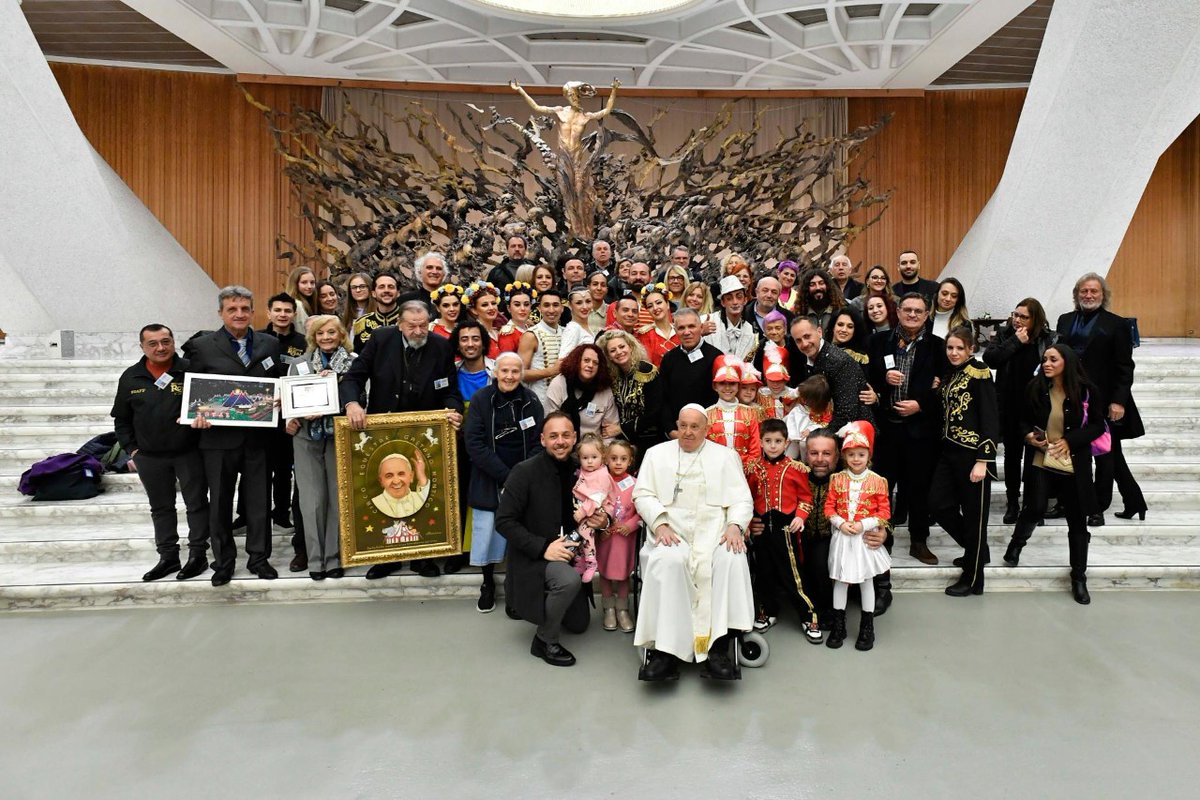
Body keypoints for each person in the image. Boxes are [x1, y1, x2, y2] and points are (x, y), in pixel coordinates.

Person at [340, 300, 464, 580]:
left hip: (424, 436)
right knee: (387, 492)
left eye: (423, 325)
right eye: (412, 326)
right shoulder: (381, 340)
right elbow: (353, 377)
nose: (419, 331)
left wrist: (454, 411)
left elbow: (450, 390)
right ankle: (386, 556)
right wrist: (351, 405)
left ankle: (423, 555)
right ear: (400, 325)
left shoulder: (441, 346)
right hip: (383, 433)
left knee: (421, 491)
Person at [633, 404, 756, 681]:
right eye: (683, 426)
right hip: (671, 531)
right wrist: (659, 522)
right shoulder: (656, 455)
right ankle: (666, 653)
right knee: (669, 561)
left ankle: (719, 648)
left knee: (730, 558)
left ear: (707, 429)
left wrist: (735, 525)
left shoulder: (725, 456)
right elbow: (642, 495)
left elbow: (741, 499)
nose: (687, 432)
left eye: (694, 427)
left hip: (715, 533)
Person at [183, 286, 284, 586]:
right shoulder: (202, 346)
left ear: (253, 312)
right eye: (232, 309)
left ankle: (258, 558)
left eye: (244, 309)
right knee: (221, 503)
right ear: (221, 313)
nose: (239, 314)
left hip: (259, 439)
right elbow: (194, 390)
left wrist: (281, 400)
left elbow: (278, 380)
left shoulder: (270, 343)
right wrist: (196, 415)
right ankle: (223, 562)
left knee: (259, 502)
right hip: (217, 441)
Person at [496, 413, 608, 667]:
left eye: (566, 435)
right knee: (567, 581)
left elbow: (597, 507)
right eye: (554, 436)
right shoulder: (524, 472)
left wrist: (605, 522)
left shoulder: (580, 471)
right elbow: (504, 521)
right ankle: (544, 640)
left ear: (575, 438)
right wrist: (543, 548)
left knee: (579, 625)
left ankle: (551, 601)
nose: (560, 441)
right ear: (543, 439)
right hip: (534, 557)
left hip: (570, 555)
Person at [1003, 344, 1106, 605]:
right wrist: (1028, 435)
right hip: (1041, 457)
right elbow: (1022, 420)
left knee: (1077, 519)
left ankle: (1079, 577)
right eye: (1045, 359)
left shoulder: (1087, 390)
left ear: (1066, 362)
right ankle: (1016, 544)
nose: (1046, 363)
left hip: (1074, 462)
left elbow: (1096, 425)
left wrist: (1071, 440)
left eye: (1053, 359)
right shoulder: (1035, 387)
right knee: (1035, 507)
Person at [111, 324, 210, 582]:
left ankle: (198, 555)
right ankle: (168, 557)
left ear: (174, 342)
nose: (160, 348)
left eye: (166, 341)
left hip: (189, 452)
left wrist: (204, 418)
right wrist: (132, 450)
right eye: (153, 343)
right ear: (142, 347)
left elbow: (210, 406)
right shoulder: (131, 377)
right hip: (149, 456)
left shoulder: (190, 369)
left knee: (197, 504)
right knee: (161, 508)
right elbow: (121, 419)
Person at [1055, 272, 1146, 525]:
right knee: (1074, 450)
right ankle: (1133, 500)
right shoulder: (1064, 320)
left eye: (1094, 291)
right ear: (1076, 294)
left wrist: (1119, 401)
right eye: (1084, 291)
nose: (1089, 295)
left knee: (1105, 456)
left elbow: (1124, 367)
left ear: (1103, 295)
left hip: (1104, 401)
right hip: (1070, 399)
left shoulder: (1117, 324)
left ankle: (1098, 506)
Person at [866, 293, 948, 566]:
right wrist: (883, 381)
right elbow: (866, 382)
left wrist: (921, 405)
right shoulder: (878, 342)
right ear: (898, 311)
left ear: (927, 315)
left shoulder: (938, 347)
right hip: (887, 429)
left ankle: (918, 541)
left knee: (919, 488)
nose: (912, 315)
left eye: (919, 311)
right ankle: (883, 539)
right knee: (883, 488)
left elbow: (946, 389)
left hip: (921, 431)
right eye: (908, 310)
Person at [464, 351, 543, 613]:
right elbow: (474, 444)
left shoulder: (531, 401)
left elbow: (537, 444)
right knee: (487, 532)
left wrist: (519, 477)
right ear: (495, 372)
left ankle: (514, 588)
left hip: (523, 477)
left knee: (519, 535)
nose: (509, 376)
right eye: (504, 371)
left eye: (515, 371)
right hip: (489, 476)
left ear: (521, 375)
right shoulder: (480, 400)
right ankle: (487, 583)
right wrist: (505, 476)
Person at [929, 327, 999, 597]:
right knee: (937, 504)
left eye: (960, 348)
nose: (954, 352)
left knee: (974, 518)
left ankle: (973, 580)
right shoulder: (952, 374)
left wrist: (983, 460)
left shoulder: (979, 373)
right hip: (949, 453)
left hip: (973, 456)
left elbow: (990, 418)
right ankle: (976, 550)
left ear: (971, 348)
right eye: (950, 348)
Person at [285, 314, 354, 580]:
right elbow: (290, 401)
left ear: (341, 335)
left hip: (340, 435)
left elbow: (362, 398)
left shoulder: (353, 363)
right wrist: (293, 418)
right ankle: (315, 561)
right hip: (305, 437)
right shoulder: (298, 364)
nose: (326, 338)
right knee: (312, 500)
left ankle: (335, 558)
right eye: (320, 333)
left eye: (331, 333)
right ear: (312, 337)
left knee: (338, 498)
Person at [744, 418, 819, 641]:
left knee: (792, 574)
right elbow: (747, 499)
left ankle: (808, 615)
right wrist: (749, 522)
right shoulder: (754, 469)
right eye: (768, 441)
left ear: (786, 442)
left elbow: (806, 497)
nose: (773, 445)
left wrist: (800, 516)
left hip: (786, 528)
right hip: (761, 528)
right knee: (764, 571)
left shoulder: (796, 468)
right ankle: (768, 610)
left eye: (778, 441)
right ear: (761, 442)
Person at [984, 297, 1055, 524]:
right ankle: (1012, 501)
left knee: (1035, 458)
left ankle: (1032, 505)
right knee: (1012, 457)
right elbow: (990, 359)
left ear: (1035, 319)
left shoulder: (1048, 339)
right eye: (1015, 315)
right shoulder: (1005, 334)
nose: (1017, 320)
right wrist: (1015, 341)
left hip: (1037, 408)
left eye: (1024, 317)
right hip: (1010, 406)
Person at [824, 421, 891, 651]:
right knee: (841, 580)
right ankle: (838, 624)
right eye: (851, 454)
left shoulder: (878, 481)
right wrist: (841, 523)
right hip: (843, 538)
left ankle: (867, 626)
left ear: (868, 456)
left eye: (860, 454)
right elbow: (829, 508)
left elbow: (884, 512)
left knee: (866, 580)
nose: (856, 459)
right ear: (844, 457)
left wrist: (864, 524)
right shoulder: (837, 480)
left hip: (864, 539)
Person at [259, 292, 308, 568]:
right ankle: (265, 513)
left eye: (287, 310)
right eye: (277, 310)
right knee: (266, 467)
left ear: (293, 314)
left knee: (290, 467)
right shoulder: (258, 340)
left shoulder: (302, 343)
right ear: (269, 312)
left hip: (293, 416)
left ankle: (283, 514)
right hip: (263, 415)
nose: (282, 314)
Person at [790, 317, 873, 431]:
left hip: (854, 434)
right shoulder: (804, 358)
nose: (804, 344)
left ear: (819, 332)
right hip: (825, 426)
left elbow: (847, 412)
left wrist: (818, 434)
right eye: (798, 340)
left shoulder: (839, 361)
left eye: (807, 336)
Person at [597, 329, 664, 462]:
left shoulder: (647, 371)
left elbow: (655, 412)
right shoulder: (613, 377)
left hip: (649, 439)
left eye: (622, 346)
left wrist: (620, 428)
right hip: (622, 440)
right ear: (609, 356)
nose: (619, 352)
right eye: (613, 350)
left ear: (631, 347)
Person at [658, 308, 722, 438]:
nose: (687, 332)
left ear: (701, 327)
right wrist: (671, 430)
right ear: (675, 330)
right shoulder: (668, 359)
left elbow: (718, 399)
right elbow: (663, 397)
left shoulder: (716, 357)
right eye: (681, 328)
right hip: (676, 433)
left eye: (691, 326)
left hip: (707, 432)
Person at [598, 439, 640, 632]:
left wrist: (631, 525)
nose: (618, 462)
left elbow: (642, 510)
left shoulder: (636, 484)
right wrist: (600, 527)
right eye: (613, 458)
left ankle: (623, 609)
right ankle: (608, 608)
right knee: (605, 572)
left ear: (630, 461)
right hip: (605, 537)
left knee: (623, 574)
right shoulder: (600, 481)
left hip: (624, 537)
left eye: (623, 459)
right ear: (606, 458)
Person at [544, 343, 620, 443]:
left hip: (593, 452)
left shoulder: (605, 390)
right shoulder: (559, 384)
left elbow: (609, 433)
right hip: (563, 447)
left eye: (595, 363)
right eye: (586, 360)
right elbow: (549, 425)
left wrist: (601, 455)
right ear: (576, 361)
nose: (590, 365)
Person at [570, 433, 613, 583]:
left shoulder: (602, 475)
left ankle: (591, 561)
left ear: (602, 456)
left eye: (594, 457)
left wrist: (581, 511)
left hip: (598, 508)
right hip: (586, 507)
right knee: (580, 533)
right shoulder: (587, 471)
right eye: (585, 458)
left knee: (584, 531)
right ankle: (581, 560)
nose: (589, 462)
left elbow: (597, 498)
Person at [705, 357, 761, 470]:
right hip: (716, 470)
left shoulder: (750, 412)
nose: (727, 388)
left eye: (732, 383)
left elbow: (755, 449)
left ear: (738, 386)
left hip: (745, 472)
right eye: (722, 383)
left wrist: (746, 469)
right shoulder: (707, 414)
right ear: (715, 386)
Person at [519, 288, 566, 407]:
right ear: (539, 309)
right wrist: (550, 371)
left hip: (564, 399)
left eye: (555, 305)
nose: (551, 310)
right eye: (546, 305)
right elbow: (520, 373)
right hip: (539, 399)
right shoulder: (531, 335)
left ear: (562, 308)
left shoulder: (567, 332)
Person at [703, 275, 758, 361]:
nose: (735, 302)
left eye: (739, 297)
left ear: (745, 300)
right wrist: (699, 334)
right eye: (729, 298)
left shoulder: (749, 329)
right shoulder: (706, 321)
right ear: (723, 302)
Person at [784, 374, 833, 459]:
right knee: (789, 456)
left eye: (809, 400)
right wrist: (796, 393)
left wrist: (811, 430)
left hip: (812, 428)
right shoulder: (802, 392)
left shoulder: (826, 407)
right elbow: (786, 399)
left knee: (803, 444)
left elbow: (825, 423)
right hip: (797, 422)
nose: (805, 401)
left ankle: (805, 465)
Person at [371, 452, 430, 518]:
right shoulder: (373, 504)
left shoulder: (422, 500)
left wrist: (421, 476)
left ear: (411, 476)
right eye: (389, 476)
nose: (396, 481)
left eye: (401, 474)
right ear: (381, 481)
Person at [352, 272, 401, 350]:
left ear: (398, 293)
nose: (386, 290)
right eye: (381, 287)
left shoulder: (409, 320)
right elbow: (358, 357)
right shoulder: (362, 324)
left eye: (391, 287)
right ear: (373, 293)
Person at [636, 284, 679, 367]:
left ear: (667, 304)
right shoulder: (644, 334)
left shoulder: (680, 329)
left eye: (659, 303)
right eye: (650, 306)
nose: (655, 308)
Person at [796, 268, 844, 332]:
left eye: (821, 283)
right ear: (806, 288)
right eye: (812, 284)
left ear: (827, 286)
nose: (818, 288)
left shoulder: (840, 309)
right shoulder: (800, 312)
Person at [465, 282, 503, 358]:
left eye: (493, 303)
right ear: (474, 310)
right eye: (485, 305)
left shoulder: (499, 332)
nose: (491, 308)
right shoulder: (473, 335)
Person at [827, 306, 871, 372]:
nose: (844, 330)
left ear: (855, 331)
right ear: (833, 327)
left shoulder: (859, 357)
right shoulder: (821, 348)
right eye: (840, 324)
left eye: (850, 327)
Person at [497, 281, 536, 353]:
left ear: (531, 307)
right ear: (509, 308)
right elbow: (508, 362)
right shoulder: (507, 334)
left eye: (526, 304)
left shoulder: (529, 328)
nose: (523, 308)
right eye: (517, 305)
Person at [559, 285, 596, 357]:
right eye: (579, 303)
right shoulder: (573, 329)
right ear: (570, 305)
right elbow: (563, 359)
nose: (585, 307)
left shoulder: (586, 327)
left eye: (588, 301)